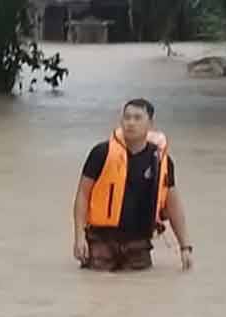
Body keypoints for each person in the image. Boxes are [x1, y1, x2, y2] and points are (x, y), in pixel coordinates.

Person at [73, 98, 193, 272]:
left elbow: (173, 206)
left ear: (150, 123)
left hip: (138, 244)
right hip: (101, 240)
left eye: (137, 118)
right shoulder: (101, 153)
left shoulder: (161, 161)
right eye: (127, 117)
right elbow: (82, 195)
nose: (131, 123)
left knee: (140, 289)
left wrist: (185, 247)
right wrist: (79, 237)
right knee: (95, 286)